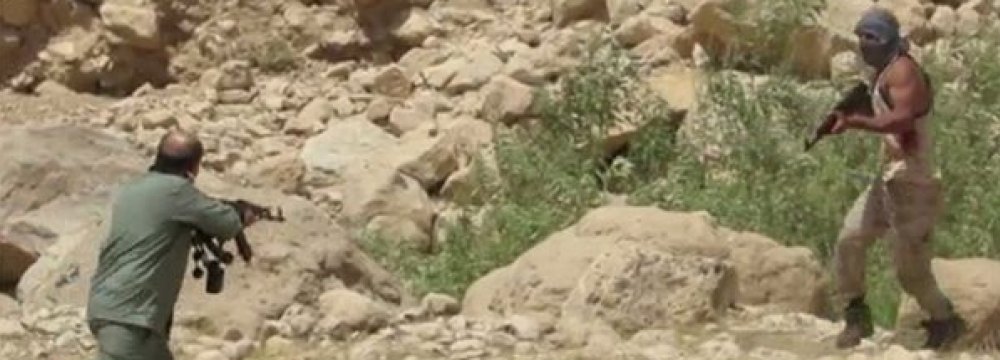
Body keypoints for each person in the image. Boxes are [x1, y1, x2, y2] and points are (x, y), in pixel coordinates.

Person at [825, 7, 967, 350]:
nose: (864, 44)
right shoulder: (882, 70)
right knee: (850, 239)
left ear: (890, 40)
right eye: (861, 37)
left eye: (872, 38)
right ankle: (856, 314)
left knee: (911, 271)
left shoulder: (904, 72)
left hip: (914, 183)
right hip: (889, 177)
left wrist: (854, 122)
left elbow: (901, 120)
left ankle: (944, 321)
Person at [86, 130, 258, 359]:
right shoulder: (177, 192)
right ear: (195, 166)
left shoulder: (134, 189)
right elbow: (227, 223)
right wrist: (243, 213)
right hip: (131, 318)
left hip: (113, 310)